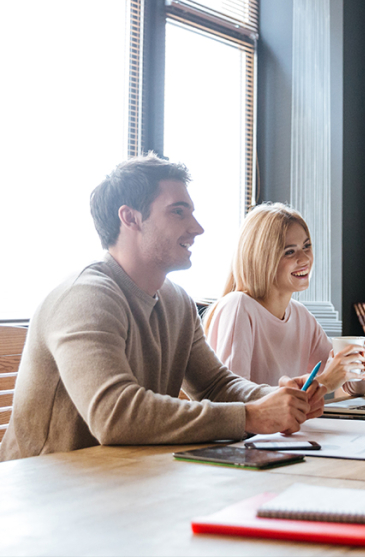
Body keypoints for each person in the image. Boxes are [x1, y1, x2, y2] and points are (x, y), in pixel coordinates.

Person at [0, 154, 324, 462]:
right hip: (43, 495)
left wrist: (276, 400)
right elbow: (114, 414)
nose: (197, 228)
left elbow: (216, 386)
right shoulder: (84, 298)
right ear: (130, 218)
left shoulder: (176, 301)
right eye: (178, 212)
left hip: (122, 479)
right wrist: (252, 416)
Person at [204, 203, 365, 395]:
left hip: (291, 426)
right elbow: (234, 400)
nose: (305, 259)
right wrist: (324, 382)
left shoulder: (300, 315)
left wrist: (360, 363)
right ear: (261, 259)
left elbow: (353, 388)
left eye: (306, 246)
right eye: (290, 252)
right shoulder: (238, 306)